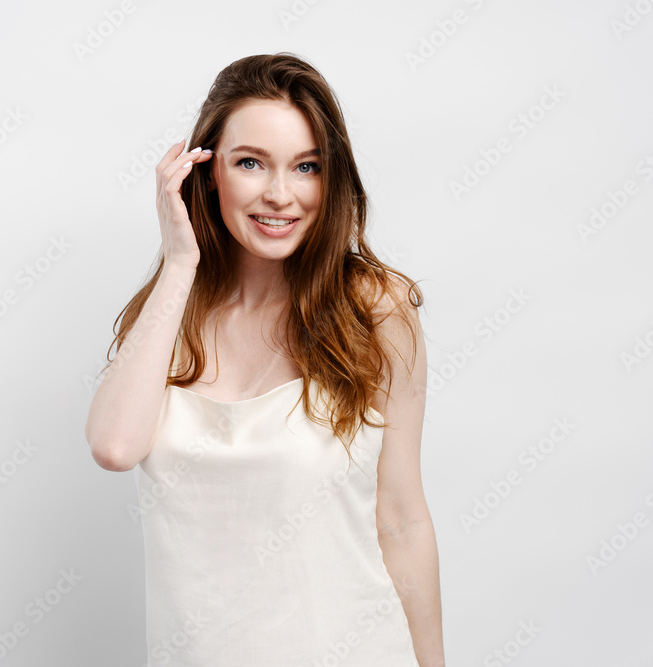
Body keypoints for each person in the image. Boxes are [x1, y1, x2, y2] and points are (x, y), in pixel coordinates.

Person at [86, 52, 443, 666]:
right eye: (250, 163)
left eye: (307, 167)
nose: (281, 195)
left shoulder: (375, 310)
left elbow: (403, 518)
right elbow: (115, 448)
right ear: (207, 173)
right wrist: (178, 263)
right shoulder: (169, 313)